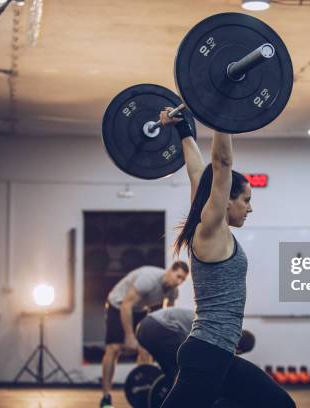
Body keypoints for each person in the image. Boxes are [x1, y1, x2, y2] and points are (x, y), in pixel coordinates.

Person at [157, 109, 295, 407]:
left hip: (216, 353)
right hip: (208, 352)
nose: (249, 208)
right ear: (226, 200)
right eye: (246, 200)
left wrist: (182, 129)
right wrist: (221, 111)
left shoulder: (206, 225)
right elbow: (221, 164)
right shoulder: (211, 228)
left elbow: (197, 170)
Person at [100, 262, 189, 408]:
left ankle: (146, 390)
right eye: (178, 276)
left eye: (182, 280)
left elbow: (168, 316)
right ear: (170, 271)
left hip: (140, 310)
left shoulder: (173, 291)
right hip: (118, 305)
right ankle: (106, 397)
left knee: (147, 349)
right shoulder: (149, 279)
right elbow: (126, 305)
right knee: (114, 349)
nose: (178, 281)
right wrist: (129, 336)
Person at [136, 307, 256, 382]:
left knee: (170, 371)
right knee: (185, 367)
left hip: (143, 328)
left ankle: (163, 395)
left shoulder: (222, 329)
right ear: (238, 346)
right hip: (157, 326)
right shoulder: (219, 332)